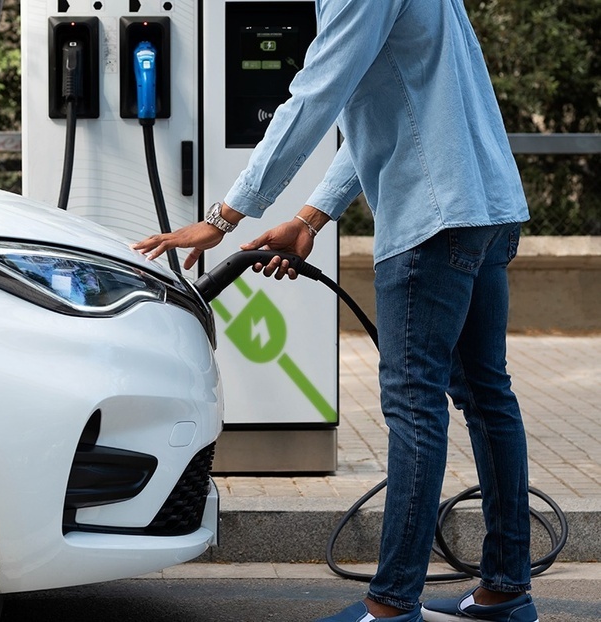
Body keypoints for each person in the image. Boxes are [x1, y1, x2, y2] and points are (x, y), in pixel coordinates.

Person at [133, 1, 535, 621]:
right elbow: (390, 112)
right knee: (487, 395)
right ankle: (507, 589)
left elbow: (315, 95)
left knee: (415, 406)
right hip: (486, 205)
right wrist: (307, 217)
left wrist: (224, 216)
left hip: (433, 216)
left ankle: (392, 605)